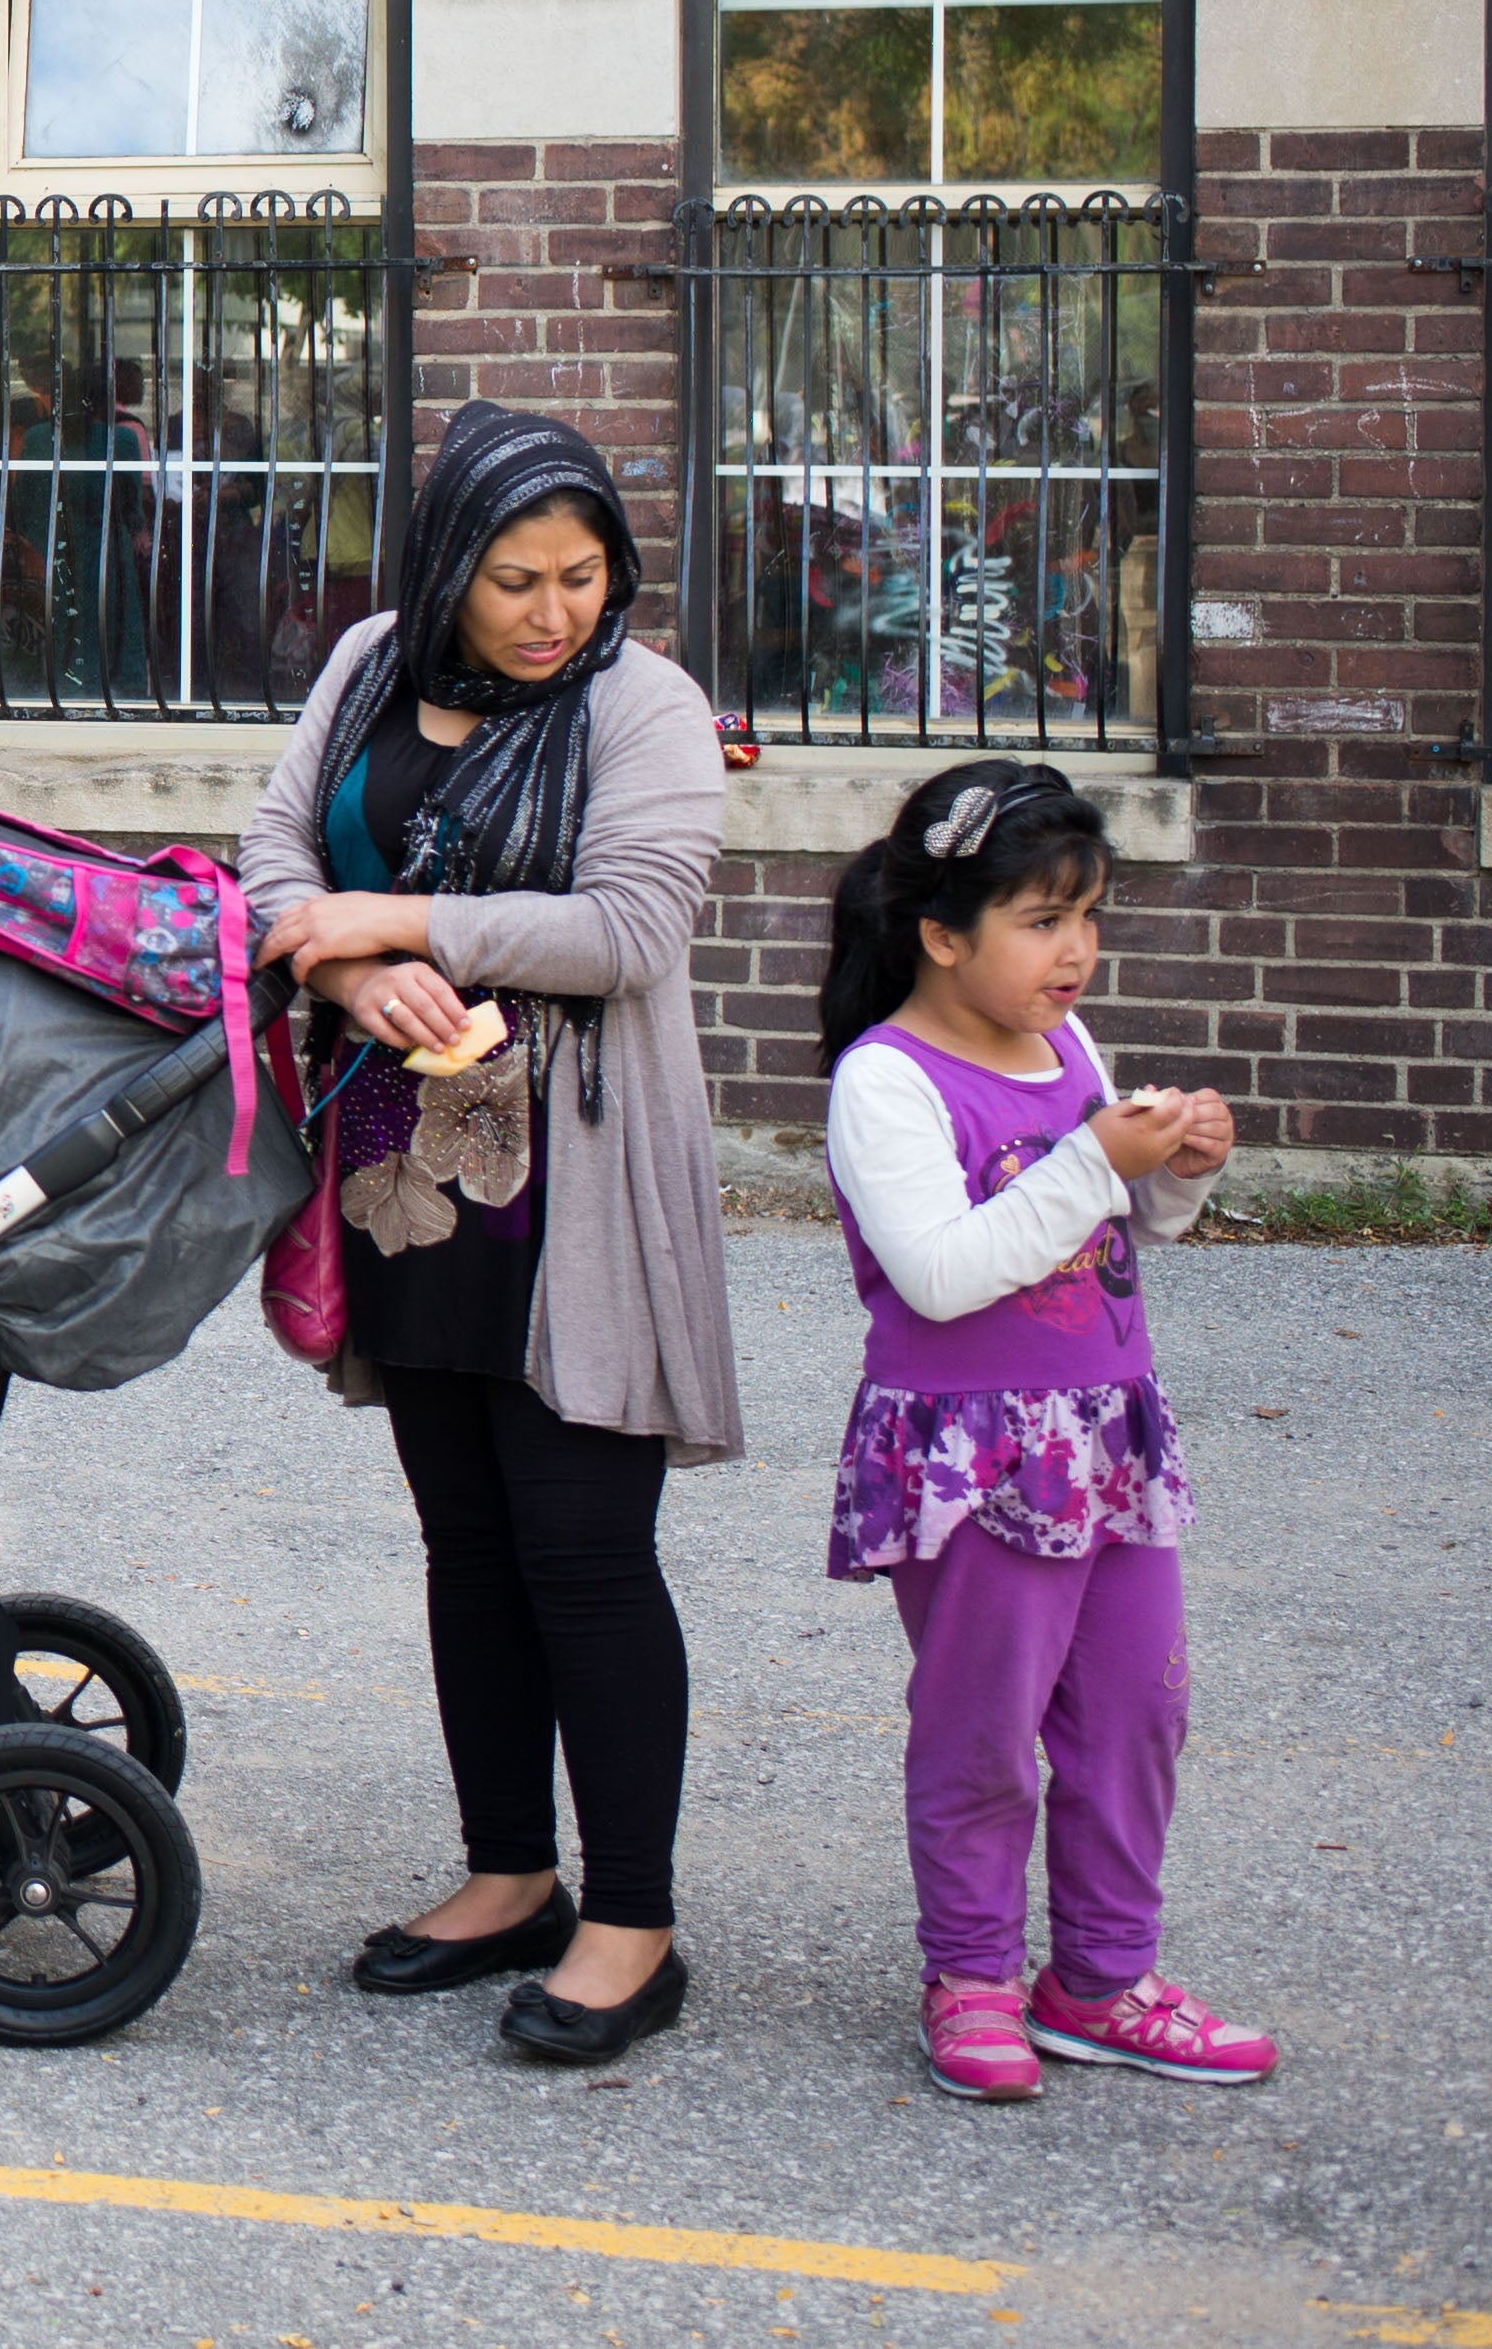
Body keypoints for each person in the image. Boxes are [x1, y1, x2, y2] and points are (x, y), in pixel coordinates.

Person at [240, 400, 742, 2071]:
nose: (550, 612)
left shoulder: (639, 705)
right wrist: (330, 970)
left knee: (583, 1550)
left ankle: (631, 1919)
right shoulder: (373, 665)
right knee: (465, 1543)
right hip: (405, 1178)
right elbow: (266, 856)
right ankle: (508, 1871)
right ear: (448, 565)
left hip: (570, 1187)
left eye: (580, 575)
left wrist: (392, 914)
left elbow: (627, 924)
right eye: (513, 578)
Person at [813, 758, 1272, 2101]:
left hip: (1104, 1439)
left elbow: (1111, 1233)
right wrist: (1096, 1162)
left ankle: (1102, 1974)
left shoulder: (1065, 1043)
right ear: (941, 934)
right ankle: (968, 1970)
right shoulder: (884, 1078)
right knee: (982, 1724)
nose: (1073, 950)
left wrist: (1175, 1178)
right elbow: (944, 1272)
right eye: (1039, 919)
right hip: (972, 1454)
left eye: (1087, 915)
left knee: (1137, 1707)